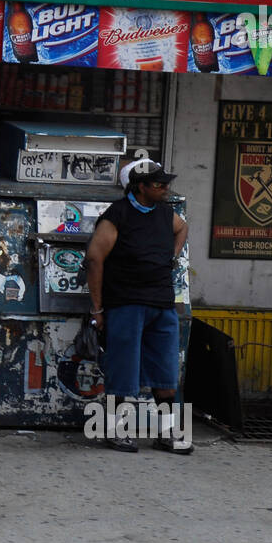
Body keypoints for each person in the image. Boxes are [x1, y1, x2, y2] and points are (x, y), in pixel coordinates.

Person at [83, 157, 191, 453]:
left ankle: (170, 434)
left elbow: (182, 228)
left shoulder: (165, 212)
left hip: (163, 305)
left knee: (166, 371)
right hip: (126, 303)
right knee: (123, 372)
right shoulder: (117, 215)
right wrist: (97, 309)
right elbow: (94, 258)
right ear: (140, 187)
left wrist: (172, 252)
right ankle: (116, 431)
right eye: (159, 184)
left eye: (167, 184)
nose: (165, 189)